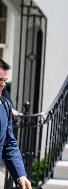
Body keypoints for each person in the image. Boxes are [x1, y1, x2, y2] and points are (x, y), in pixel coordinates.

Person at [0, 59, 32, 189]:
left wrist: (21, 175)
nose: (3, 85)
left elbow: (9, 143)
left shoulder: (5, 105)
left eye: (4, 80)